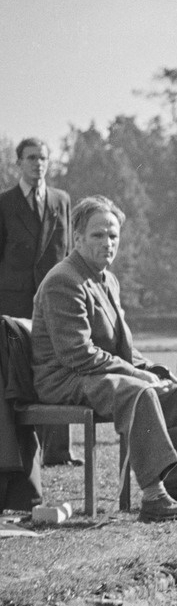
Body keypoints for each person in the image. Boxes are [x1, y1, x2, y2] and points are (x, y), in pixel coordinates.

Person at [31, 196, 177, 523]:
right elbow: (77, 353)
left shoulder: (106, 279)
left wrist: (152, 370)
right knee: (138, 392)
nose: (108, 243)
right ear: (78, 239)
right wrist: (136, 376)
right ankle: (153, 496)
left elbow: (120, 345)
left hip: (91, 375)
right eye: (98, 235)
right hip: (63, 381)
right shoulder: (64, 280)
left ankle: (175, 481)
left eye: (113, 235)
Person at [0, 137, 77, 465]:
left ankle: (59, 452)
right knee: (15, 375)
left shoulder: (61, 200)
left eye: (43, 158)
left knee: (59, 366)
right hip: (13, 303)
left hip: (53, 300)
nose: (38, 164)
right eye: (31, 158)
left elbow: (69, 252)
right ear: (19, 162)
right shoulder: (4, 203)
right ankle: (19, 453)